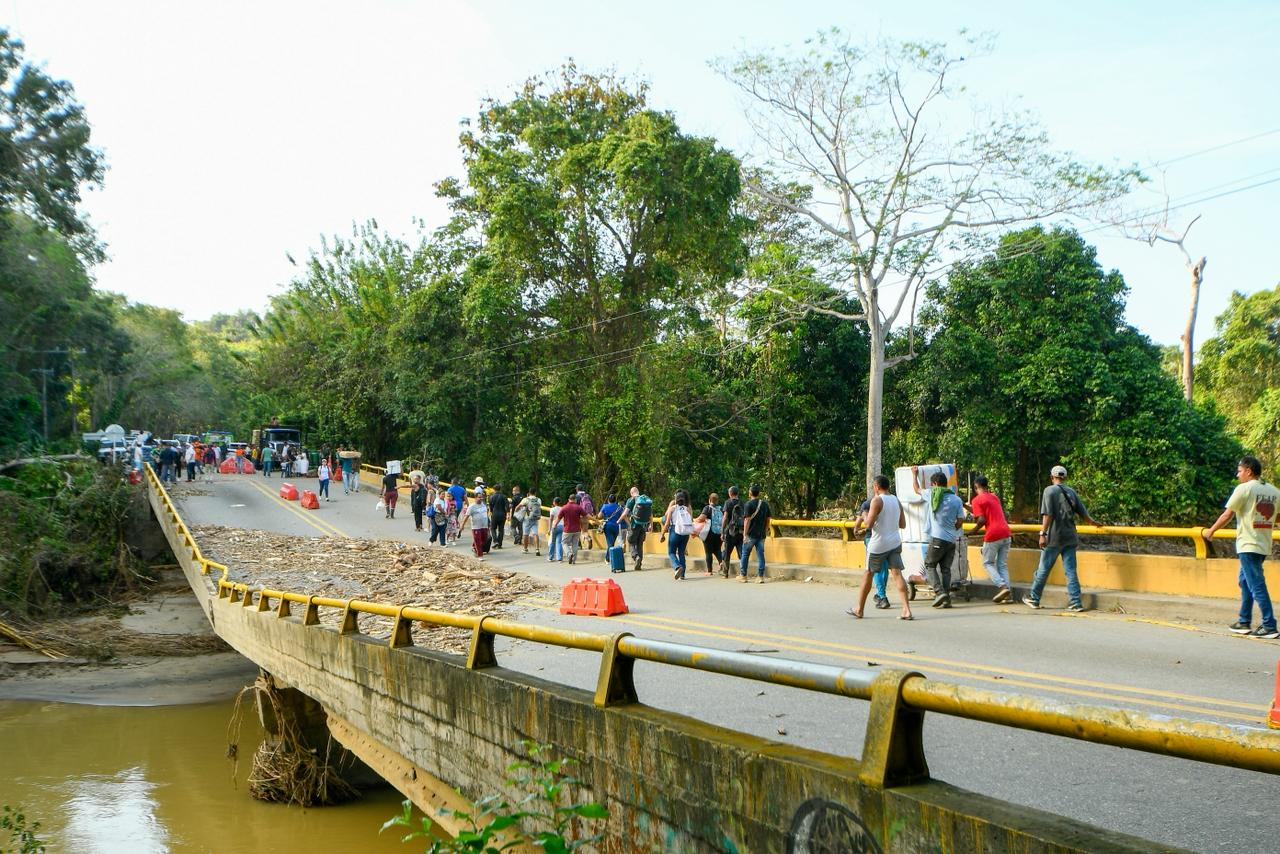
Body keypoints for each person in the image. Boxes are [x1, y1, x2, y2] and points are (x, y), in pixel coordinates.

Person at [1203, 456, 1280, 639]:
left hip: (1247, 543)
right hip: (1262, 543)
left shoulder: (1244, 489)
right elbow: (1277, 518)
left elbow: (1227, 514)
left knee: (1256, 584)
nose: (1238, 475)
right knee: (1245, 581)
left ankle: (1269, 624)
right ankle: (1244, 621)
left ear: (1248, 471)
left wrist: (1211, 531)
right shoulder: (1273, 491)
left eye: (1239, 471)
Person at [1024, 465, 1101, 612]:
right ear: (1065, 477)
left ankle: (1034, 598)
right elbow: (1084, 514)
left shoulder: (1049, 490)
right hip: (1070, 536)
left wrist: (1042, 534)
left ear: (1052, 477)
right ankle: (1076, 602)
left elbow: (1048, 514)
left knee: (1044, 569)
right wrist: (1094, 523)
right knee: (1070, 570)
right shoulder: (1072, 492)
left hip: (1054, 537)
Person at [847, 475, 913, 620]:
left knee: (868, 574)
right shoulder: (896, 500)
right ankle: (906, 610)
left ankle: (859, 609)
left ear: (876, 486)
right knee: (897, 575)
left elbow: (869, 524)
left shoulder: (877, 501)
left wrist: (865, 515)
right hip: (894, 542)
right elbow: (902, 524)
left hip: (878, 544)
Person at [913, 468, 965, 609]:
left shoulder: (932, 494)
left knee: (929, 565)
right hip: (951, 540)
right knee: (946, 569)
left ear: (935, 483)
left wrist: (914, 474)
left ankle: (939, 591)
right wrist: (951, 529)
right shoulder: (956, 499)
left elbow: (917, 489)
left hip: (937, 539)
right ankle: (947, 599)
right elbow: (960, 520)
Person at [968, 475, 1013, 603]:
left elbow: (981, 519)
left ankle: (1002, 586)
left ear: (976, 487)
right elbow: (980, 511)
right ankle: (1007, 595)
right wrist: (967, 507)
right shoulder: (994, 497)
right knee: (1002, 565)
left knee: (987, 563)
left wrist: (973, 531)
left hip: (993, 534)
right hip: (1006, 532)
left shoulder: (977, 500)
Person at [853, 496, 892, 609]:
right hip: (888, 539)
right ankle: (881, 593)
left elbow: (862, 520)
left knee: (874, 569)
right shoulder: (890, 502)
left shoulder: (867, 504)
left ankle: (882, 596)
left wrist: (856, 529)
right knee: (884, 568)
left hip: (873, 539)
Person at [739, 484, 772, 583]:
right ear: (759, 493)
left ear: (750, 493)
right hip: (761, 535)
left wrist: (744, 534)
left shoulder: (748, 504)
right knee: (761, 555)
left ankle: (743, 576)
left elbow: (747, 520)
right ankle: (760, 576)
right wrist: (765, 529)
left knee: (745, 554)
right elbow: (768, 519)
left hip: (750, 534)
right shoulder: (765, 504)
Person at [662, 490, 695, 580]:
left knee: (671, 552)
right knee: (681, 553)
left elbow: (667, 523)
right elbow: (691, 521)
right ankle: (683, 574)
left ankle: (677, 567)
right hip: (685, 533)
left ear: (676, 499)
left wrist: (663, 534)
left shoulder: (672, 508)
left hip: (674, 531)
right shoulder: (688, 508)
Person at [622, 486, 654, 571]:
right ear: (638, 491)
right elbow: (650, 515)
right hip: (643, 526)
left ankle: (636, 557)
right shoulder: (645, 499)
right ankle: (639, 564)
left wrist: (629, 524)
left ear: (632, 493)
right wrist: (651, 525)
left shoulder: (631, 500)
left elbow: (624, 515)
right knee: (640, 545)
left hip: (634, 526)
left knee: (631, 542)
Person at [696, 492, 724, 576]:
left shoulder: (707, 508)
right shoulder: (721, 508)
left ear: (709, 500)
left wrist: (696, 520)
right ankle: (721, 562)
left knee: (708, 552)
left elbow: (702, 518)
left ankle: (709, 571)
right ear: (717, 500)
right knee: (717, 549)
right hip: (719, 533)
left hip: (709, 533)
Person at [720, 487, 746, 577]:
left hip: (730, 532)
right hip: (740, 532)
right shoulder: (742, 503)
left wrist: (722, 531)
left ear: (730, 493)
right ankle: (743, 573)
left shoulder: (728, 502)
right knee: (742, 554)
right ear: (737, 493)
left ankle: (725, 573)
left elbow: (725, 517)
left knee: (727, 553)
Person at [459, 487, 491, 558]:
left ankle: (474, 547)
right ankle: (480, 555)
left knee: (484, 539)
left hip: (484, 526)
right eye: (479, 497)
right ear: (475, 498)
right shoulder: (471, 507)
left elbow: (486, 515)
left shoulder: (484, 505)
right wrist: (462, 525)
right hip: (476, 527)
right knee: (478, 540)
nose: (481, 499)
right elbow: (466, 516)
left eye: (481, 497)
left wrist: (488, 525)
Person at [558, 494, 587, 565]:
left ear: (569, 499)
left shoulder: (564, 508)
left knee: (564, 543)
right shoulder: (578, 507)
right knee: (575, 544)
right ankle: (573, 560)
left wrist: (554, 525)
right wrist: (594, 520)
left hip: (567, 529)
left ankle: (569, 554)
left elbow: (558, 518)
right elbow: (585, 516)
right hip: (577, 530)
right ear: (575, 500)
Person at [487, 484, 509, 549]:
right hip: (503, 514)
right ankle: (500, 544)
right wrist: (508, 513)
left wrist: (491, 512)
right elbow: (507, 506)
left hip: (495, 514)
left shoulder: (491, 497)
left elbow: (490, 507)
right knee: (501, 530)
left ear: (494, 489)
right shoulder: (504, 496)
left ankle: (495, 541)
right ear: (500, 489)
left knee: (492, 528)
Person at [520, 489, 541, 556]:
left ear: (529, 493)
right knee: (535, 533)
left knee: (526, 534)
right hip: (535, 518)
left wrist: (516, 511)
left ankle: (525, 549)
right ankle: (537, 549)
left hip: (527, 518)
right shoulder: (538, 500)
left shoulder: (525, 499)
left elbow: (519, 506)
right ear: (535, 492)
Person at [547, 497, 565, 562]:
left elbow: (551, 519)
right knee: (559, 542)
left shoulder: (552, 509)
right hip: (562, 526)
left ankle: (550, 557)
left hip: (555, 526)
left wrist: (549, 529)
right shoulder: (563, 509)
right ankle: (559, 558)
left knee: (552, 542)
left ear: (554, 502)